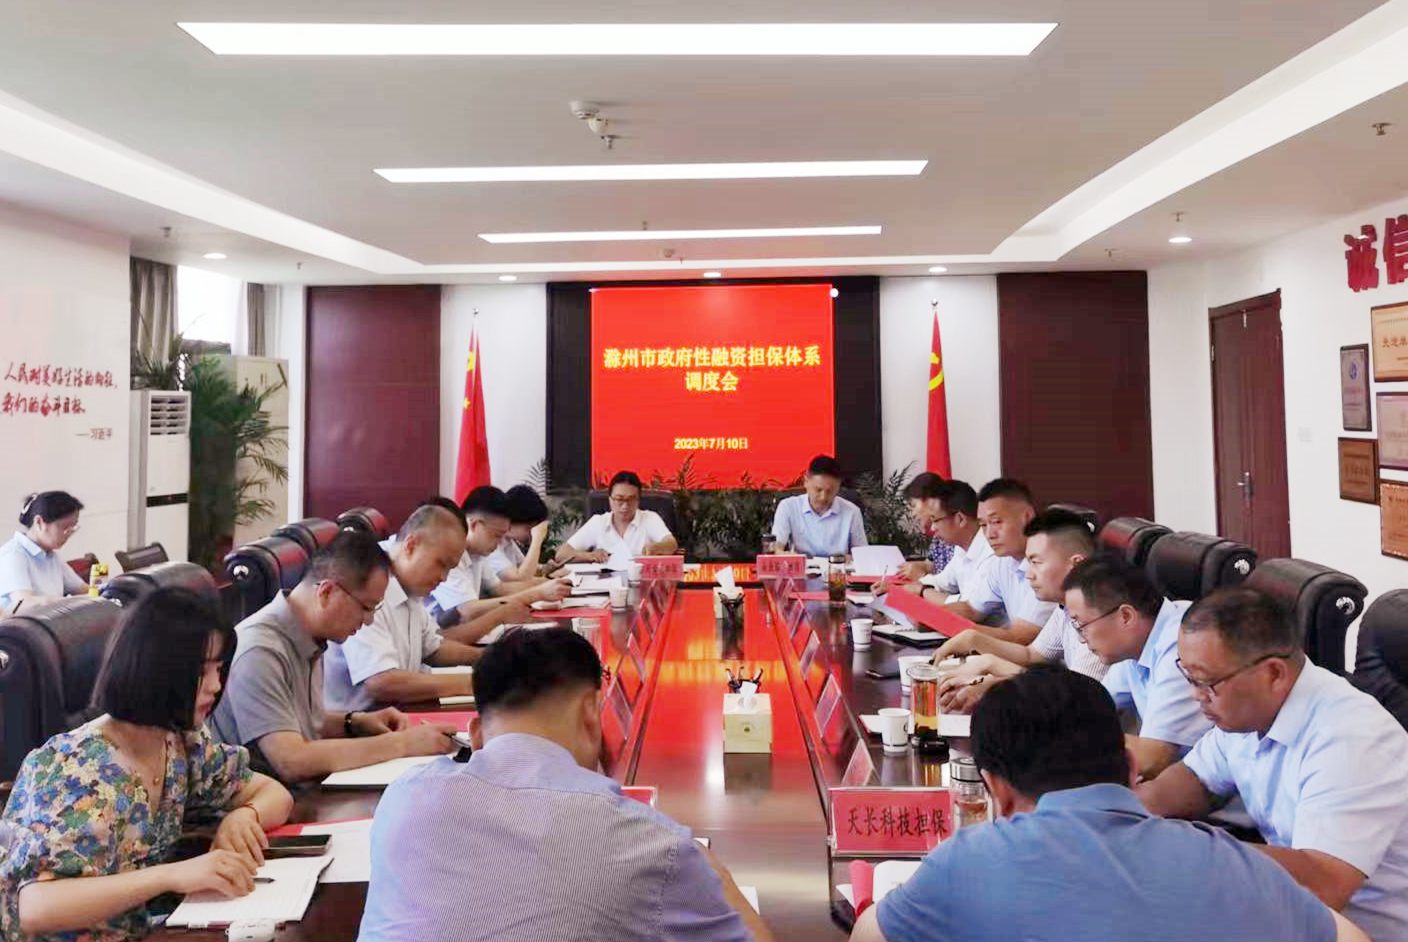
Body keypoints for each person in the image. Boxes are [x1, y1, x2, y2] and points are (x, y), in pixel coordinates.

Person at [849, 665, 1366, 942]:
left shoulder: (964, 863)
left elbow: (869, 935)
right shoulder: (1231, 861)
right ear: (1131, 767)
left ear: (995, 789)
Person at [357, 626, 775, 942]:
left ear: (476, 734)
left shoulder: (402, 797)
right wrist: (708, 866)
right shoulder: (649, 845)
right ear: (592, 712)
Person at [0, 587, 295, 942]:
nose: (217, 685)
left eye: (219, 669)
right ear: (157, 669)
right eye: (202, 671)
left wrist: (245, 815)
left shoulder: (178, 741)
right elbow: (37, 907)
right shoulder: (75, 768)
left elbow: (275, 793)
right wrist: (173, 875)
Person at [1139, 588, 1408, 942]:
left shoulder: (1351, 739)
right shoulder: (1245, 711)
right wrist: (1125, 814)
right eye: (1188, 677)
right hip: (1289, 913)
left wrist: (1195, 850)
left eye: (1206, 682)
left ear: (1273, 674)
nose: (1195, 695)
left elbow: (1324, 882)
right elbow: (1195, 778)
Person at [209, 531, 457, 783]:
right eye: (366, 607)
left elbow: (296, 722)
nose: (369, 620)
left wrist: (354, 722)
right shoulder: (260, 650)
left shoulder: (311, 635)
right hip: (260, 802)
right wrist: (403, 743)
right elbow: (291, 760)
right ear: (326, 592)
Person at [932, 509, 1103, 712]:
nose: (1029, 574)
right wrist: (973, 640)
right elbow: (1031, 655)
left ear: (1076, 564)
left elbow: (1073, 702)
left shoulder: (1099, 619)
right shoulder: (1064, 607)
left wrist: (995, 671)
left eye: (1036, 562)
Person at [322, 504, 486, 712]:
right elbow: (382, 682)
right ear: (411, 545)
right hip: (359, 723)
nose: (444, 578)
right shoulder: (367, 586)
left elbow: (433, 648)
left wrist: (489, 659)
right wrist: (472, 682)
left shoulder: (410, 587)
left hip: (401, 715)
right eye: (441, 564)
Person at [1060, 556, 1204, 781]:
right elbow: (1088, 707)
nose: (1081, 639)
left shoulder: (1182, 642)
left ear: (1126, 616)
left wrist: (1064, 737)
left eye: (1081, 625)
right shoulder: (1134, 644)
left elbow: (1152, 759)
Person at [429, 487, 567, 630]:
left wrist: (547, 586)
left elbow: (498, 589)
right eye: (496, 536)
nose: (499, 543)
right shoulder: (449, 553)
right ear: (474, 524)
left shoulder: (478, 552)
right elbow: (466, 611)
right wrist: (537, 594)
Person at [941, 479, 1052, 644]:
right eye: (983, 525)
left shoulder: (1048, 565)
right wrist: (928, 615)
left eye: (996, 522)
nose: (989, 534)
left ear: (1027, 517)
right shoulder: (1002, 562)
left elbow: (1020, 637)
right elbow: (971, 609)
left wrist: (951, 626)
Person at [555, 470, 679, 568]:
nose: (625, 506)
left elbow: (672, 544)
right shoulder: (598, 522)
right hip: (604, 586)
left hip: (641, 584)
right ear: (610, 499)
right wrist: (590, 556)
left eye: (631, 500)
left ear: (638, 500)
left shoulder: (649, 518)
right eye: (619, 499)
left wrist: (657, 547)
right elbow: (562, 554)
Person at [898, 479, 990, 602]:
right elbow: (942, 582)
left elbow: (968, 607)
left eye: (935, 520)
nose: (933, 528)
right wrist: (898, 590)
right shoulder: (961, 549)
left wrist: (923, 590)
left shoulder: (991, 553)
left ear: (960, 519)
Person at [0, 491, 87, 614]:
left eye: (73, 527)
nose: (69, 533)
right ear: (39, 522)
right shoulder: (13, 555)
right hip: (18, 625)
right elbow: (24, 603)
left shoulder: (50, 556)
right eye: (64, 527)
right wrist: (68, 602)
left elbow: (82, 589)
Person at [771, 455, 867, 558]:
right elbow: (776, 547)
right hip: (803, 566)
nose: (823, 497)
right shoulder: (788, 507)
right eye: (818, 490)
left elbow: (862, 554)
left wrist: (850, 558)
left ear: (838, 487)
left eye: (830, 491)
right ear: (806, 482)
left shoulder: (852, 512)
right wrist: (786, 555)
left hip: (838, 566)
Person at [895, 473, 953, 580]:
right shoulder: (938, 535)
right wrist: (914, 567)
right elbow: (932, 565)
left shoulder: (955, 534)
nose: (912, 514)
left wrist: (922, 577)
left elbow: (954, 585)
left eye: (914, 506)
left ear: (929, 501)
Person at [489, 484, 552, 582]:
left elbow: (527, 569)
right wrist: (537, 540)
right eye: (529, 528)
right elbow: (521, 579)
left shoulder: (508, 541)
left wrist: (548, 568)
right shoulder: (490, 546)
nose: (532, 533)